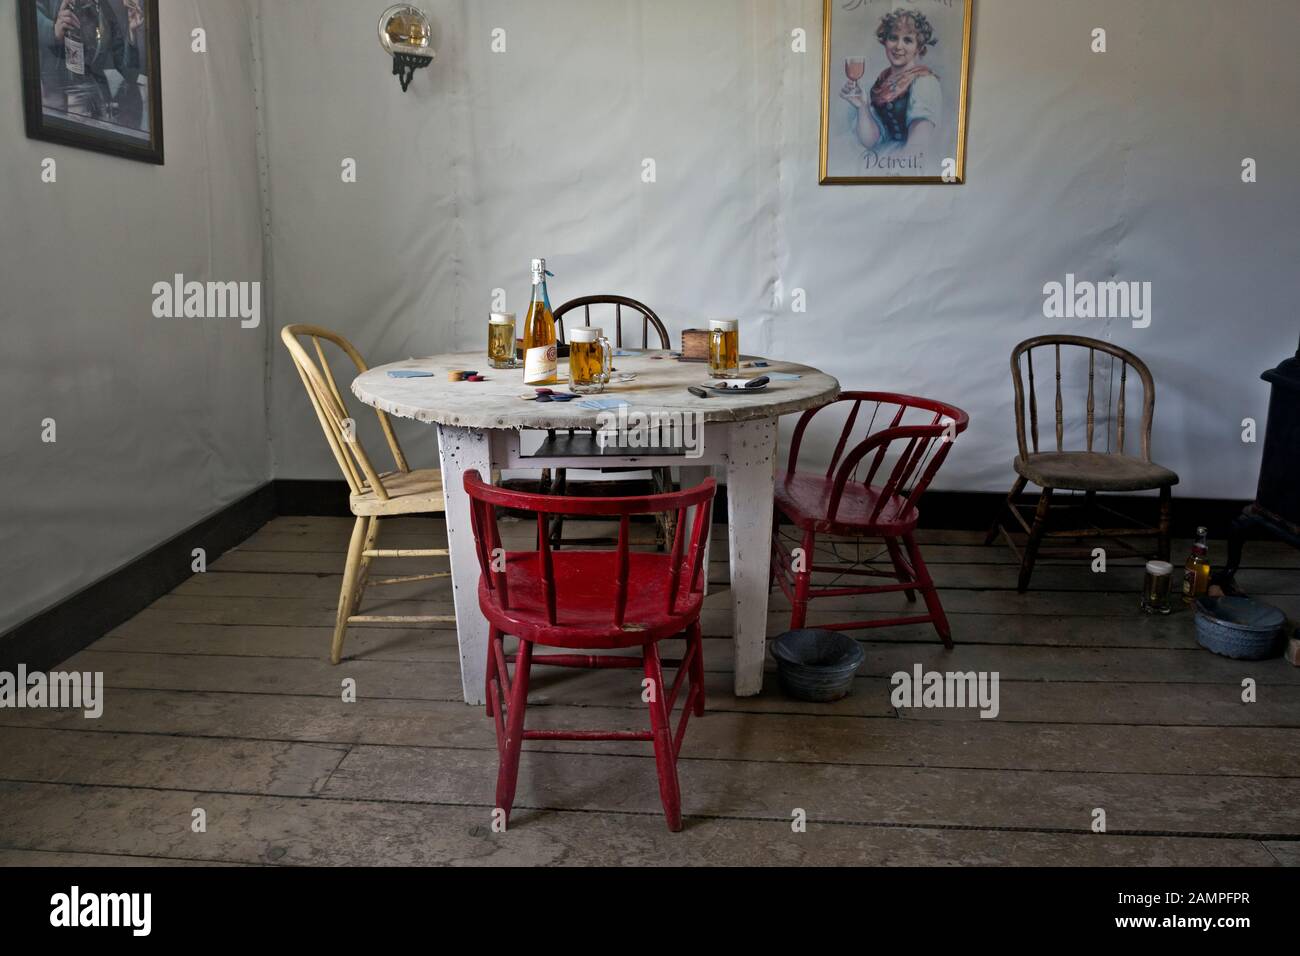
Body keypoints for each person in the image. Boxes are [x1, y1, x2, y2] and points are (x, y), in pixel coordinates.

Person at [840, 9, 942, 160]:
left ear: (918, 48)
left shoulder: (924, 82)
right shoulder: (882, 81)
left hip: (908, 165)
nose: (898, 46)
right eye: (893, 38)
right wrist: (862, 107)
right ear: (885, 41)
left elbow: (917, 147)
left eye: (907, 40)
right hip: (881, 160)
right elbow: (871, 142)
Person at [39, 0, 144, 125]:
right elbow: (30, 20)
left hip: (95, 107)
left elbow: (130, 74)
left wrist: (132, 32)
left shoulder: (104, 9)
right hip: (56, 100)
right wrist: (54, 31)